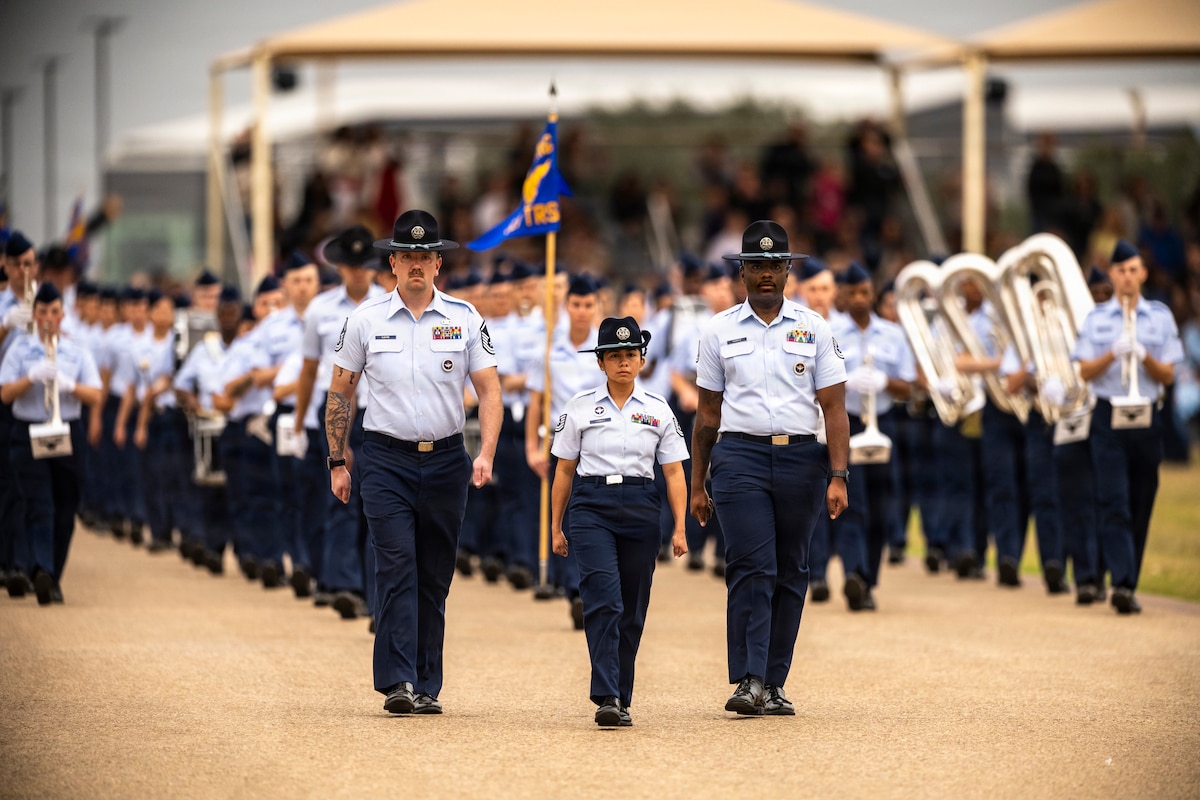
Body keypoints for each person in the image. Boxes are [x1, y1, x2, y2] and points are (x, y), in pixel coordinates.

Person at [327, 209, 501, 714]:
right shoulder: (365, 321)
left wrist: (485, 451)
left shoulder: (465, 319)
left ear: (439, 263)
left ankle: (428, 684)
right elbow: (341, 392)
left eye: (425, 256)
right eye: (407, 256)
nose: (417, 265)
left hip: (447, 460)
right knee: (396, 565)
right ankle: (398, 680)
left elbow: (489, 391)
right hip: (385, 459)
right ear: (393, 264)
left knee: (434, 576)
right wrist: (337, 459)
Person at [691, 219, 849, 716]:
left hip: (802, 458)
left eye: (773, 265)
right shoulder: (718, 330)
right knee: (750, 565)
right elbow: (707, 414)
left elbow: (834, 406)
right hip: (739, 457)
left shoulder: (814, 328)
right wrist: (698, 483)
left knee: (791, 570)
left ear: (787, 271)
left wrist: (839, 474)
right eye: (755, 265)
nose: (765, 274)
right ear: (741, 272)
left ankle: (774, 681)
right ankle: (749, 679)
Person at [550, 316, 688, 727]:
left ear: (642, 359)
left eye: (630, 354)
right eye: (614, 356)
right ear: (601, 362)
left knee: (632, 607)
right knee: (603, 600)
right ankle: (606, 693)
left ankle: (621, 695)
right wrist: (556, 526)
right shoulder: (579, 408)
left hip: (642, 506)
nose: (623, 363)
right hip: (592, 506)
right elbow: (563, 471)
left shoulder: (659, 409)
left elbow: (675, 472)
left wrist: (680, 526)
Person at [1073, 240, 1183, 614]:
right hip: (1108, 415)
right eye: (1120, 270)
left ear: (1143, 274)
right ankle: (1121, 582)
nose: (1126, 276)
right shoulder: (1096, 318)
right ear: (1112, 274)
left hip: (1147, 414)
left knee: (1141, 500)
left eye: (1133, 269)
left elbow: (1168, 373)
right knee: (1113, 499)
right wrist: (1111, 354)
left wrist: (1144, 356)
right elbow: (1084, 370)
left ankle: (1126, 577)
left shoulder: (1161, 317)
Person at [0, 282, 103, 605]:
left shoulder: (76, 349)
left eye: (54, 312)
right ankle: (42, 569)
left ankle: (52, 574)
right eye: (42, 312)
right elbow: (4, 393)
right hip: (30, 430)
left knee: (65, 505)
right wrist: (29, 378)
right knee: (39, 504)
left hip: (66, 430)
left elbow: (96, 394)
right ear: (34, 314)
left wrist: (70, 384)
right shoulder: (20, 349)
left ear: (63, 314)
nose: (48, 318)